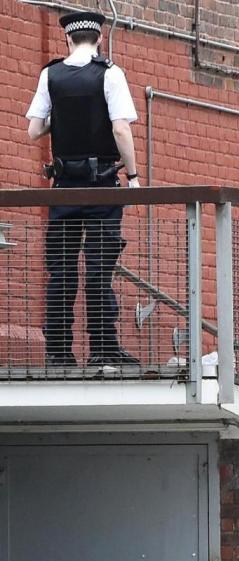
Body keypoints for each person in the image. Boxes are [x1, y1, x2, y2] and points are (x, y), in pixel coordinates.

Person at [26, 11, 140, 368]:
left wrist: (59, 116)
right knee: (98, 270)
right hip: (102, 185)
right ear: (100, 39)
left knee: (61, 271)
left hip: (63, 188)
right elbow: (121, 129)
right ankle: (102, 348)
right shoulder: (110, 74)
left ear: (68, 40)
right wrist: (133, 177)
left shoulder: (51, 74)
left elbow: (34, 130)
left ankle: (59, 353)